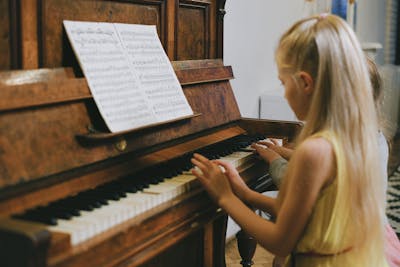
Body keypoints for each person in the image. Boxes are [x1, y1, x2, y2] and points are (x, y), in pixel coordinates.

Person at [191, 14, 389, 266]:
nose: (283, 93)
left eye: (284, 83)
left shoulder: (314, 151)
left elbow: (280, 241)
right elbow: (300, 211)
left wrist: (225, 198)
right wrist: (244, 193)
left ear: (305, 83)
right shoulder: (354, 137)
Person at [254, 57, 400, 266]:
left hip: (338, 243)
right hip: (371, 233)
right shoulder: (373, 138)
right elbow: (331, 166)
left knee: (282, 256)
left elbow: (300, 183)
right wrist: (283, 151)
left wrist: (275, 159)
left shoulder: (336, 146)